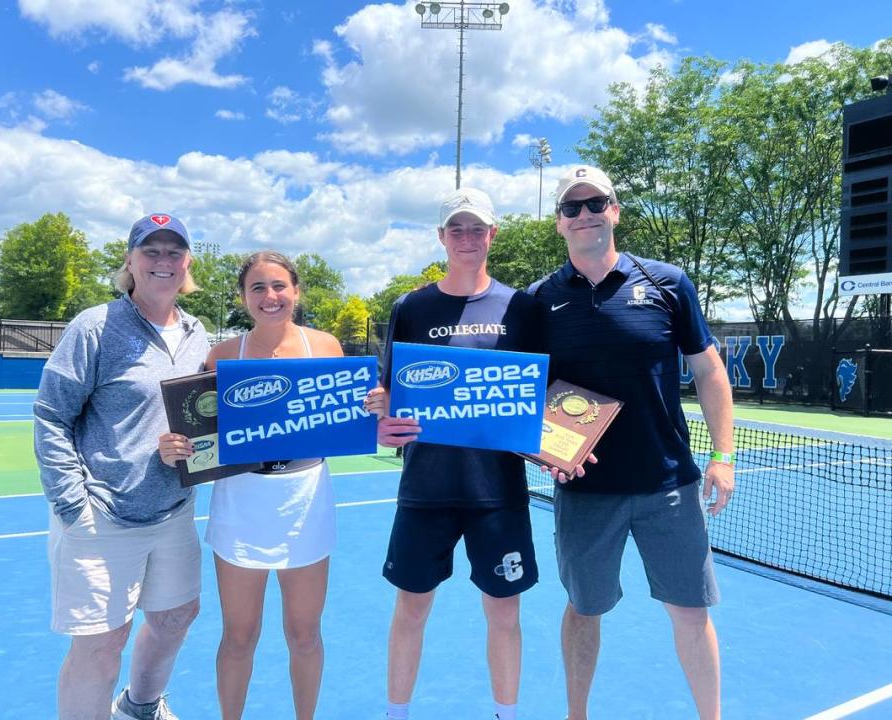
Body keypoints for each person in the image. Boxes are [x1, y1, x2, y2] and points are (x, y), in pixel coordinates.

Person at [529, 165, 735, 720]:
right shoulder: (536, 300)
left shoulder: (668, 283)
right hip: (585, 491)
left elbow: (710, 372)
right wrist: (542, 447)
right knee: (583, 609)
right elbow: (521, 391)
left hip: (669, 487)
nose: (584, 214)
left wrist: (723, 455)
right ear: (559, 223)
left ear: (614, 211)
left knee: (691, 612)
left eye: (595, 203)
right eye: (571, 207)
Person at [368, 188, 545, 720]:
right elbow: (387, 393)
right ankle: (396, 714)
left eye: (477, 228)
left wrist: (558, 444)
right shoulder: (411, 307)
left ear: (492, 235)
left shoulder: (522, 307)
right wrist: (380, 417)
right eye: (456, 229)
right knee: (411, 609)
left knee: (504, 612)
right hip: (425, 489)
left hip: (499, 492)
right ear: (442, 238)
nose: (467, 238)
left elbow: (543, 391)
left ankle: (505, 714)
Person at [34, 213, 209, 720]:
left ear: (187, 263)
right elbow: (51, 414)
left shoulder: (199, 335)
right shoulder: (95, 325)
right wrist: (72, 503)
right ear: (130, 262)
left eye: (173, 252)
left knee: (177, 615)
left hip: (174, 511)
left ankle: (139, 706)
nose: (163, 261)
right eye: (150, 251)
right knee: (101, 645)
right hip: (103, 513)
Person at [158, 251, 343, 720]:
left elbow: (347, 416)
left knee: (304, 634)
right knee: (239, 636)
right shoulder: (222, 356)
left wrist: (375, 403)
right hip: (241, 503)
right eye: (257, 288)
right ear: (243, 297)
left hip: (305, 500)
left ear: (296, 292)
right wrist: (176, 447)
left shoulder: (325, 347)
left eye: (279, 285)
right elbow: (199, 435)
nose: (270, 296)